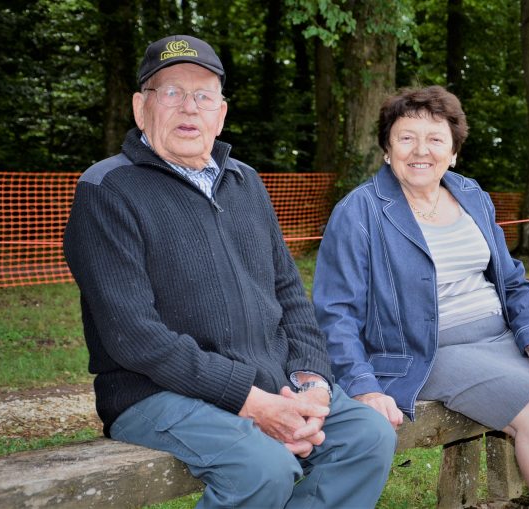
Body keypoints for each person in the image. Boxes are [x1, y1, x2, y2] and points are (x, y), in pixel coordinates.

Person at [64, 34, 395, 508]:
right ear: (141, 107)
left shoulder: (245, 180)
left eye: (203, 96)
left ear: (220, 114)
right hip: (153, 393)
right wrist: (252, 403)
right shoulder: (106, 189)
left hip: (270, 382)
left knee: (368, 436)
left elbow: (289, 293)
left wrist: (314, 383)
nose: (189, 107)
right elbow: (134, 336)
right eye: (171, 92)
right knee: (263, 468)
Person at [312, 85, 529, 508]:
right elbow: (335, 313)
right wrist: (363, 387)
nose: (421, 150)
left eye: (435, 139)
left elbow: (512, 282)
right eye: (406, 137)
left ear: (453, 152)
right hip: (427, 351)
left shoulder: (471, 195)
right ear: (386, 149)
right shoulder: (358, 211)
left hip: (500, 341)